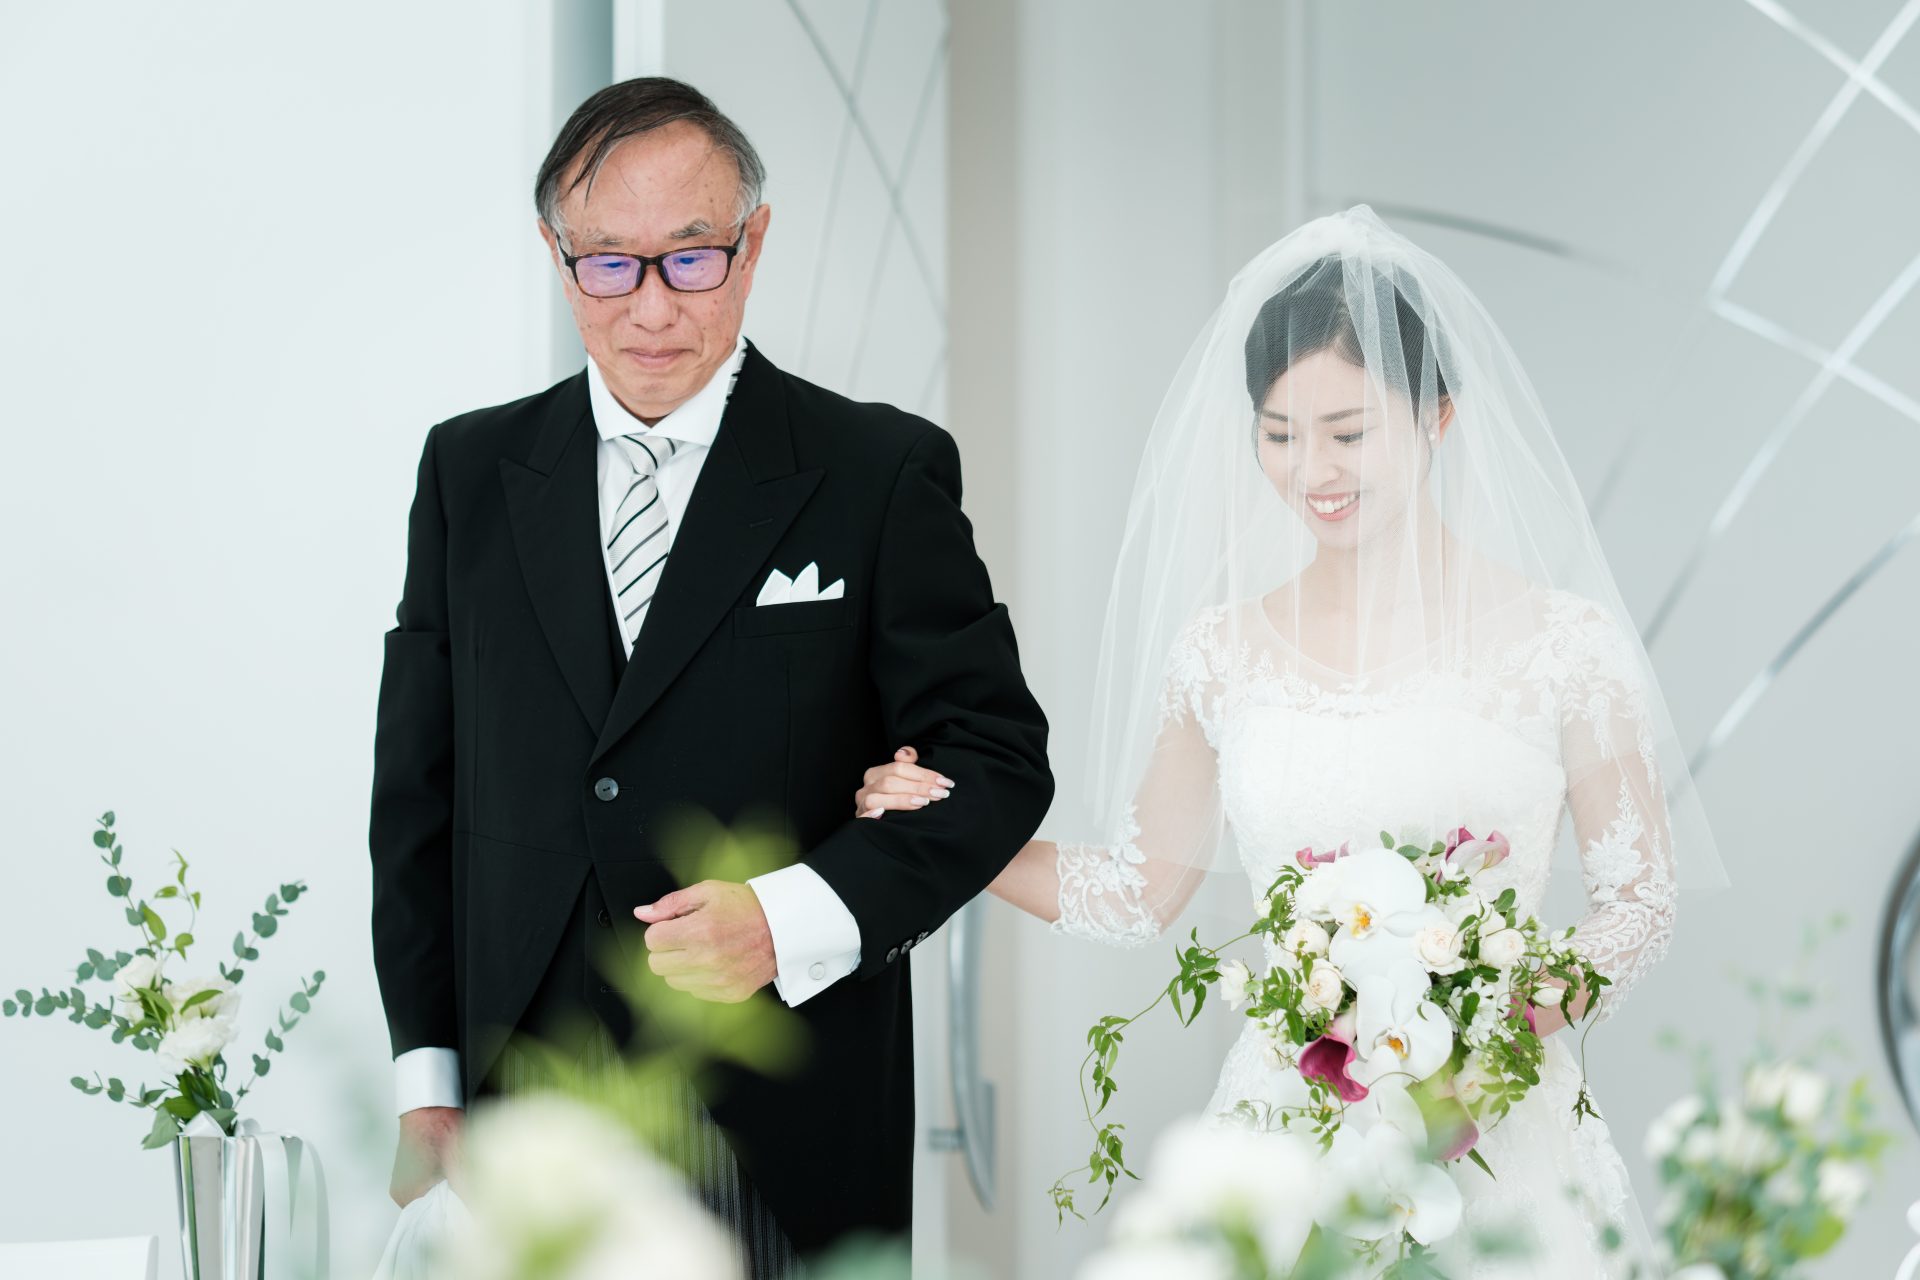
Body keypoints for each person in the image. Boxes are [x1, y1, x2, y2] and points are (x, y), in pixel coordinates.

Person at [853, 206, 1725, 1276]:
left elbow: (1638, 903)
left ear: (1440, 418)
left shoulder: (1564, 645)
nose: (1314, 470)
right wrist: (952, 833)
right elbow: (1139, 892)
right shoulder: (1220, 654)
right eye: (1279, 434)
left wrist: (1486, 1041)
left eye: (1349, 434)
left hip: (1496, 1124)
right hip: (1288, 1127)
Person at [367, 76, 1053, 1275]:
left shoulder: (876, 469)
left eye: (691, 258)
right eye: (608, 264)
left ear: (754, 242)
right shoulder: (467, 472)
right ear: (557, 255)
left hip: (779, 1117)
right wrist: (428, 1076)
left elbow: (995, 759)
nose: (651, 307)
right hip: (524, 1110)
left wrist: (792, 920)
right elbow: (419, 799)